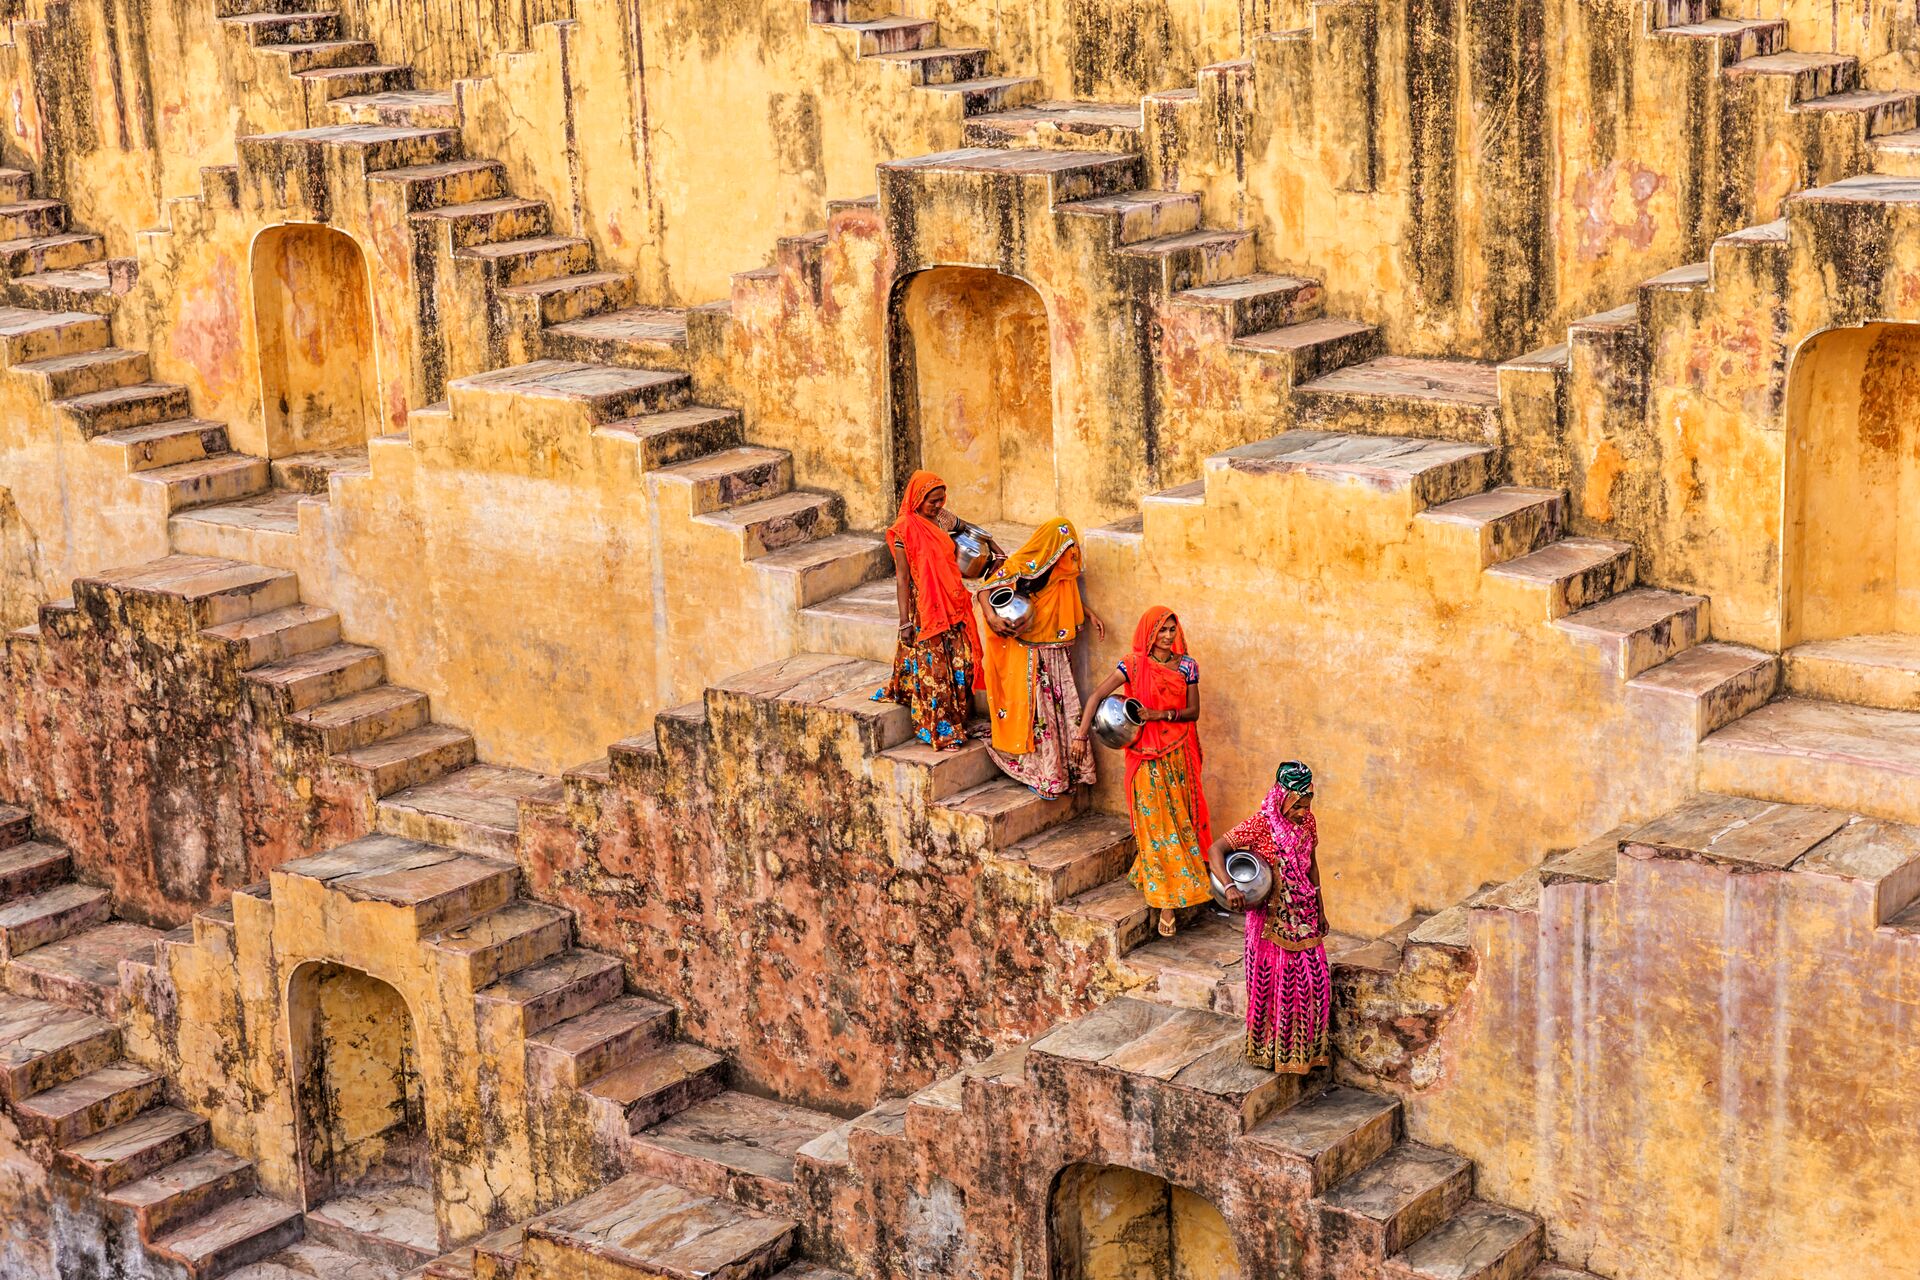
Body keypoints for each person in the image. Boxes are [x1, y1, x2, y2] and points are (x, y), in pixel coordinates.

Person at [1075, 606, 1208, 937]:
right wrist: (1081, 736)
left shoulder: (1187, 666)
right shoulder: (1133, 664)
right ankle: (1165, 900)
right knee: (1155, 826)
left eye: (1172, 630)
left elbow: (1193, 712)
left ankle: (1171, 879)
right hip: (1144, 756)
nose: (1167, 636)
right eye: (1162, 629)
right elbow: (1096, 696)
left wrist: (1159, 715)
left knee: (1179, 820)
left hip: (1177, 753)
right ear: (1149, 633)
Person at [1209, 761, 1330, 1074]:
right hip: (1270, 923)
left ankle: (1305, 1054)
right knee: (1275, 986)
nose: (1303, 812)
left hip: (1303, 914)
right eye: (1298, 805)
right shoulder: (1261, 824)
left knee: (1315, 983)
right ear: (1283, 798)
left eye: (1308, 804)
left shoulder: (1308, 824)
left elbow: (1311, 866)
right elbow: (1215, 849)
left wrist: (1320, 907)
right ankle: (1271, 1052)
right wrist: (1230, 886)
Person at [977, 517, 1103, 797]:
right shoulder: (1024, 564)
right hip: (1032, 656)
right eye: (1066, 549)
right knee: (1040, 715)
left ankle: (1065, 771)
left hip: (1056, 653)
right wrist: (992, 618)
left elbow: (1065, 591)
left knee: (1061, 711)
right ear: (1053, 547)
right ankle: (1044, 773)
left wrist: (1090, 614)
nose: (1070, 556)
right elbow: (984, 590)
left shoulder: (1058, 571)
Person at [875, 471, 992, 751]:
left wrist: (995, 549)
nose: (938, 505)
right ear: (918, 498)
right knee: (936, 670)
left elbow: (971, 529)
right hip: (926, 607)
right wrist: (904, 622)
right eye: (932, 501)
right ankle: (940, 730)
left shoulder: (941, 518)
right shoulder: (903, 529)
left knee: (962, 662)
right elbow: (903, 578)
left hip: (953, 601)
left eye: (941, 500)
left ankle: (959, 719)